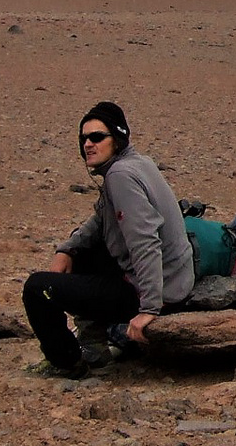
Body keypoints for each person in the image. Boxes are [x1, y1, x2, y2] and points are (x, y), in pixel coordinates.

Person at [21, 101, 195, 378]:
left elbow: (145, 241)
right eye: (84, 139)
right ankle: (95, 350)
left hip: (159, 291)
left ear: (118, 138)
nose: (88, 144)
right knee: (83, 252)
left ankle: (67, 363)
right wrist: (67, 250)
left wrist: (150, 308)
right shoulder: (137, 163)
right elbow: (100, 221)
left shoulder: (120, 175)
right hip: (174, 278)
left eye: (97, 137)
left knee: (37, 289)